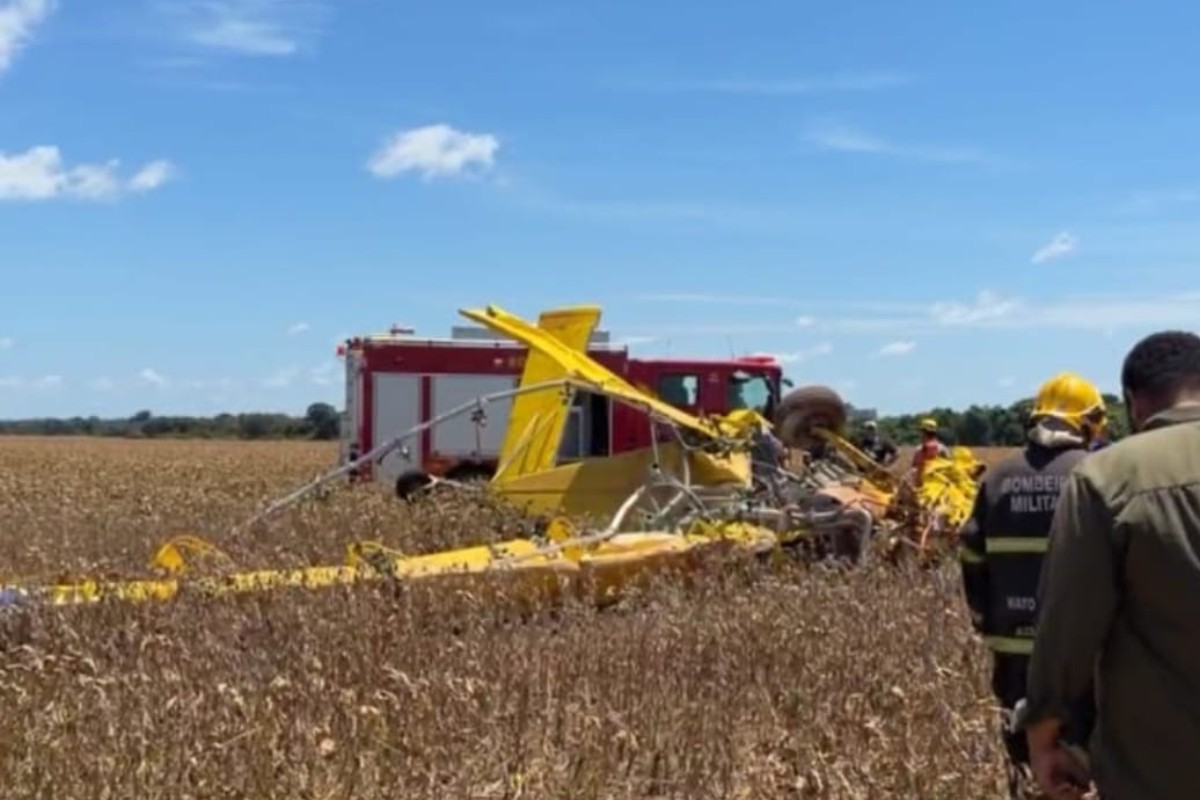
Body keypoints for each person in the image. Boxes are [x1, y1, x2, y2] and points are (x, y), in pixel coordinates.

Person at [1023, 330, 1200, 800]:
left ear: (1133, 405)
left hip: (1164, 768)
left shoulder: (1108, 478)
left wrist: (1045, 734)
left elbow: (1068, 624)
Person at [958, 372, 1107, 798]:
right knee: (1081, 769)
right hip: (1083, 655)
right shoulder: (1097, 472)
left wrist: (988, 620)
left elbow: (971, 555)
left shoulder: (998, 478)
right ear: (1089, 421)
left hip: (1013, 651)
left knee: (1023, 761)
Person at [910, 417, 949, 483]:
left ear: (924, 432)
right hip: (940, 485)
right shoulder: (943, 448)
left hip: (925, 486)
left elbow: (913, 468)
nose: (920, 434)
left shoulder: (919, 449)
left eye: (921, 432)